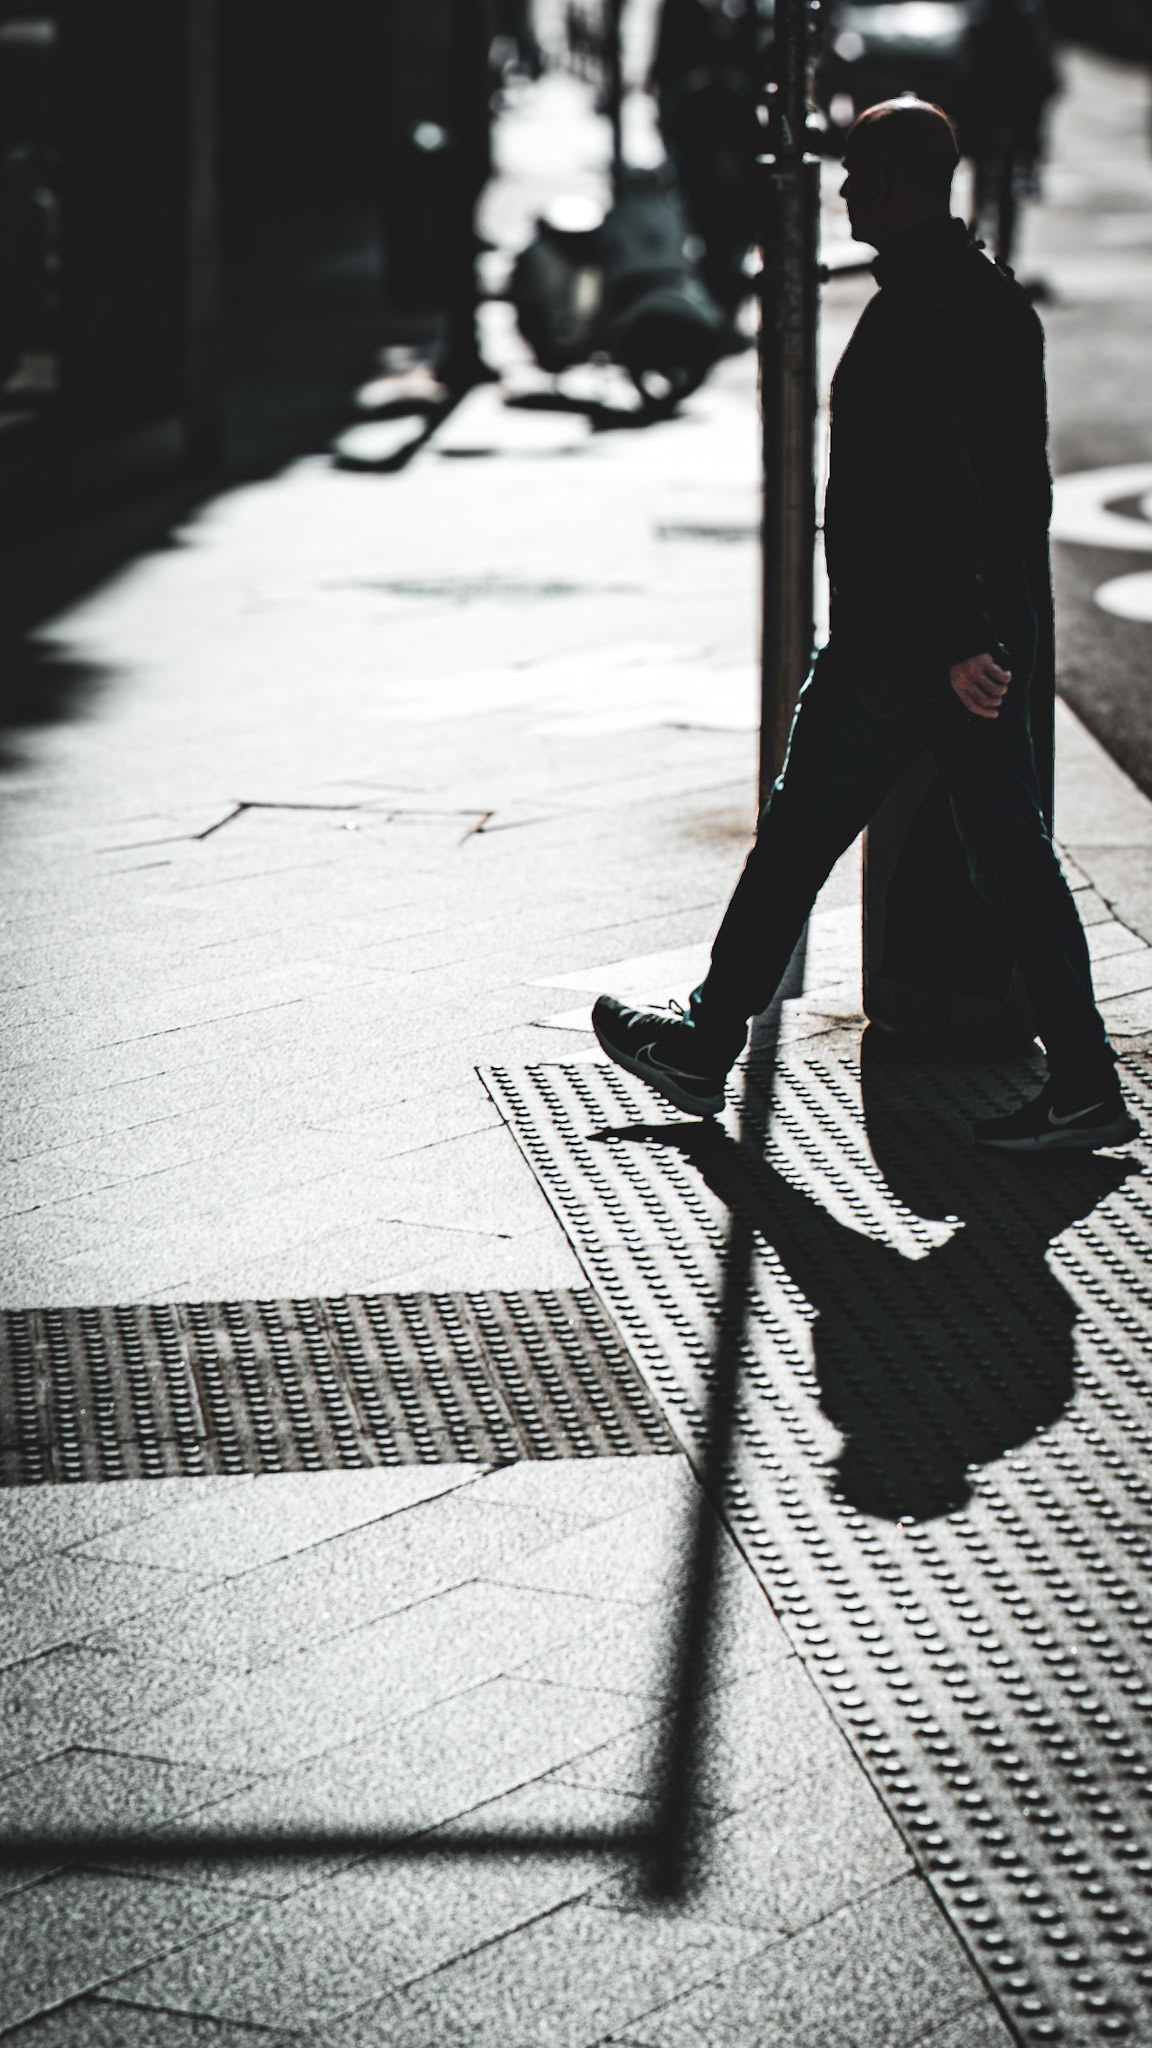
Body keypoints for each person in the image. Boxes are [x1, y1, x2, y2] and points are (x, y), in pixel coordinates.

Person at [593, 97, 1138, 1154]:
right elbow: (1017, 486)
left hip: (911, 640)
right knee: (1013, 858)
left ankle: (705, 1044)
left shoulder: (915, 316)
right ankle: (1084, 1083)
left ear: (892, 183)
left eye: (853, 174)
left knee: (802, 833)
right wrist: (1005, 629)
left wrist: (966, 637)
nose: (841, 191)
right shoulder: (990, 296)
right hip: (970, 629)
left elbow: (943, 488)